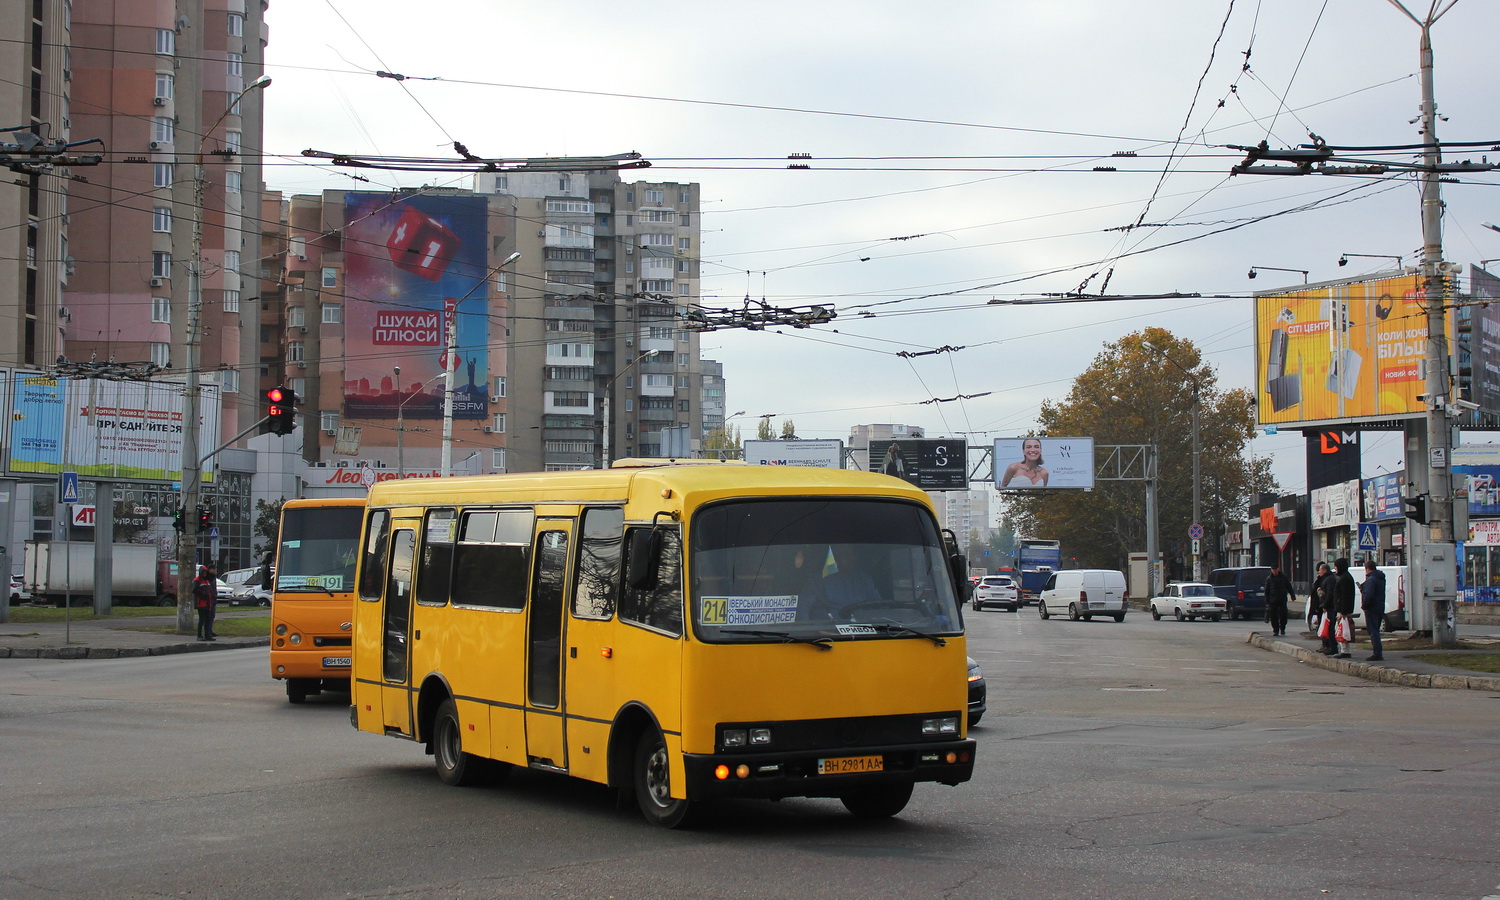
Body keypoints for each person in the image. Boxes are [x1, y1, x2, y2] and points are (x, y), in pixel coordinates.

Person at [1360, 560, 1387, 661]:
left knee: (1373, 630)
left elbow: (1369, 595)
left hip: (1372, 607)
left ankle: (1377, 653)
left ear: (1367, 569)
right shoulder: (1380, 578)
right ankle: (1378, 652)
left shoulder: (1371, 580)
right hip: (1380, 606)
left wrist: (1364, 606)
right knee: (1376, 629)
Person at [1311, 561, 1339, 655]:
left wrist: (1325, 605)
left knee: (1330, 627)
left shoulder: (1329, 579)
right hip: (1324, 606)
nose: (1319, 572)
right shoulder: (1324, 579)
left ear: (1325, 570)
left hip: (1329, 607)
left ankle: (1332, 647)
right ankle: (1328, 645)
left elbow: (1329, 594)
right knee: (1327, 627)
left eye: (1320, 570)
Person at [1332, 557, 1356, 659]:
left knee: (1343, 630)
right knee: (1343, 629)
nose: (1335, 569)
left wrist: (1343, 611)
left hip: (1343, 609)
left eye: (1336, 567)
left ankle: (1345, 651)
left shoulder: (1344, 579)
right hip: (1343, 608)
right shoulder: (1345, 577)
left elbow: (1345, 596)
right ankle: (1344, 650)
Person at [1262, 564, 1295, 636]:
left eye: (1275, 569)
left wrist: (1292, 596)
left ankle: (1282, 628)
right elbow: (1266, 591)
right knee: (1273, 616)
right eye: (1273, 570)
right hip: (1272, 600)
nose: (1274, 571)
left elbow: (1288, 586)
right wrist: (1267, 602)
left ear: (1278, 569)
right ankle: (1275, 630)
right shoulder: (1269, 579)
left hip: (1282, 599)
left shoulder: (1283, 577)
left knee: (1283, 615)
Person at [193, 565, 218, 641]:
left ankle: (207, 635)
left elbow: (210, 589)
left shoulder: (207, 580)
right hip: (201, 603)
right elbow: (194, 590)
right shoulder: (197, 580)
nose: (205, 574)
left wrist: (213, 595)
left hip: (208, 603)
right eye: (203, 572)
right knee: (202, 620)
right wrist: (204, 594)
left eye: (205, 573)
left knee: (208, 619)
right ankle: (199, 635)